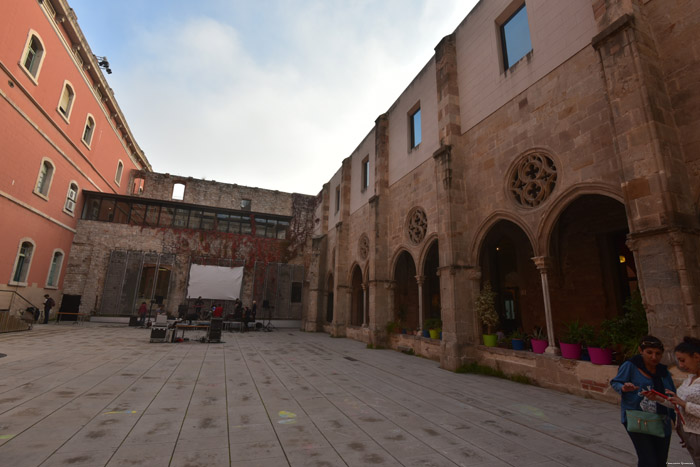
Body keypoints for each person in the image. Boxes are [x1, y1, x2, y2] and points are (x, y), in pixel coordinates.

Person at [611, 335, 676, 467]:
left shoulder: (663, 371)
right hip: (637, 419)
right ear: (641, 350)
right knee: (648, 459)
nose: (654, 357)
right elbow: (616, 382)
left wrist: (674, 419)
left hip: (661, 419)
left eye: (658, 354)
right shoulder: (631, 366)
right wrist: (624, 388)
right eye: (649, 352)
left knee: (661, 460)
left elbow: (672, 395)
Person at [667, 337, 700, 465]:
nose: (680, 365)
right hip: (688, 433)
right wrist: (659, 398)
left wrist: (684, 404)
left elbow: (683, 403)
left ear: (696, 357)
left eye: (683, 360)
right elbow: (678, 402)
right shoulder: (690, 378)